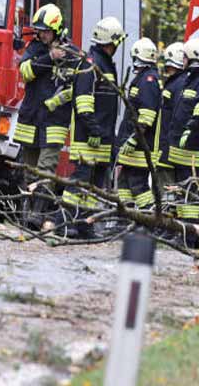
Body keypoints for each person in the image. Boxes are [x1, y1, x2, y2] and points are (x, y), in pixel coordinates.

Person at [0, 3, 74, 227]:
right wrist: (49, 58)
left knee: (46, 170)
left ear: (57, 29)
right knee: (29, 172)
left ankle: (37, 214)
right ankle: (27, 215)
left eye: (45, 31)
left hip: (54, 122)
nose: (41, 34)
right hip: (32, 119)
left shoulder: (71, 52)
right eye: (39, 30)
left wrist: (56, 101)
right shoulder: (35, 48)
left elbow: (75, 86)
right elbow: (25, 72)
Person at [59, 16, 126, 237]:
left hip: (103, 136)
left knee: (94, 186)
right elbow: (84, 101)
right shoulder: (90, 64)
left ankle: (84, 225)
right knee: (79, 181)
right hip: (89, 136)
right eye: (117, 42)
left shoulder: (106, 64)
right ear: (111, 42)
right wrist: (93, 129)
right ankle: (64, 222)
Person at [168, 38, 199, 226]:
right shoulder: (190, 80)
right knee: (181, 193)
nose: (183, 60)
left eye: (186, 57)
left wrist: (191, 127)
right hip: (181, 151)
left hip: (193, 151)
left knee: (190, 194)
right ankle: (180, 231)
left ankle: (188, 233)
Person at [116, 37, 161, 210]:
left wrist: (134, 139)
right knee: (124, 184)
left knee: (138, 185)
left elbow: (147, 116)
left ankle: (149, 218)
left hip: (141, 147)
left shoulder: (148, 81)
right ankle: (126, 220)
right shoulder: (143, 78)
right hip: (133, 146)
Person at [155, 42, 188, 191]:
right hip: (168, 149)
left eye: (169, 66)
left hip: (168, 150)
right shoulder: (179, 82)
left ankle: (166, 214)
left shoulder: (178, 84)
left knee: (165, 190)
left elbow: (175, 119)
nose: (167, 69)